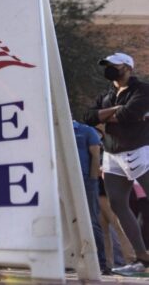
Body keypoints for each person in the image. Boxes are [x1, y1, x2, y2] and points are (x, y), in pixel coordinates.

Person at [84, 52, 149, 275]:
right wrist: (115, 111)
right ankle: (142, 258)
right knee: (118, 204)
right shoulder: (108, 94)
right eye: (107, 65)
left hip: (141, 150)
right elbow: (89, 116)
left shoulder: (142, 90)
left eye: (115, 65)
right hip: (112, 154)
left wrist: (107, 116)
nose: (110, 68)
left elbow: (131, 113)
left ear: (128, 68)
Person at [72, 120, 108, 273]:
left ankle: (101, 263)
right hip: (63, 181)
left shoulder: (86, 131)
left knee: (92, 221)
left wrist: (92, 181)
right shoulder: (53, 131)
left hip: (86, 181)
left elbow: (95, 156)